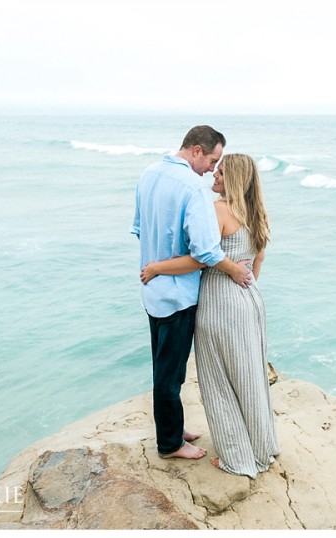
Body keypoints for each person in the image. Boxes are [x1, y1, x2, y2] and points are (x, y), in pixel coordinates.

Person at [140, 153, 280, 478]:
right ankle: (261, 449)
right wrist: (242, 286)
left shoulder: (218, 210)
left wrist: (156, 268)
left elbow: (202, 258)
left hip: (219, 302)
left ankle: (236, 457)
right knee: (250, 378)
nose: (213, 177)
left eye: (219, 172)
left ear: (232, 179)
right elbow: (256, 263)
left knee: (219, 380)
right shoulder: (258, 215)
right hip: (249, 300)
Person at [131, 126, 253, 460]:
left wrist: (155, 264)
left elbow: (139, 228)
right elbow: (205, 253)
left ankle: (172, 425)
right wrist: (235, 270)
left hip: (152, 292)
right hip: (178, 295)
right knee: (171, 375)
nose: (213, 169)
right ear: (197, 150)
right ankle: (170, 444)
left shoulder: (148, 174)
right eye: (213, 160)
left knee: (166, 368)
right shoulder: (193, 188)